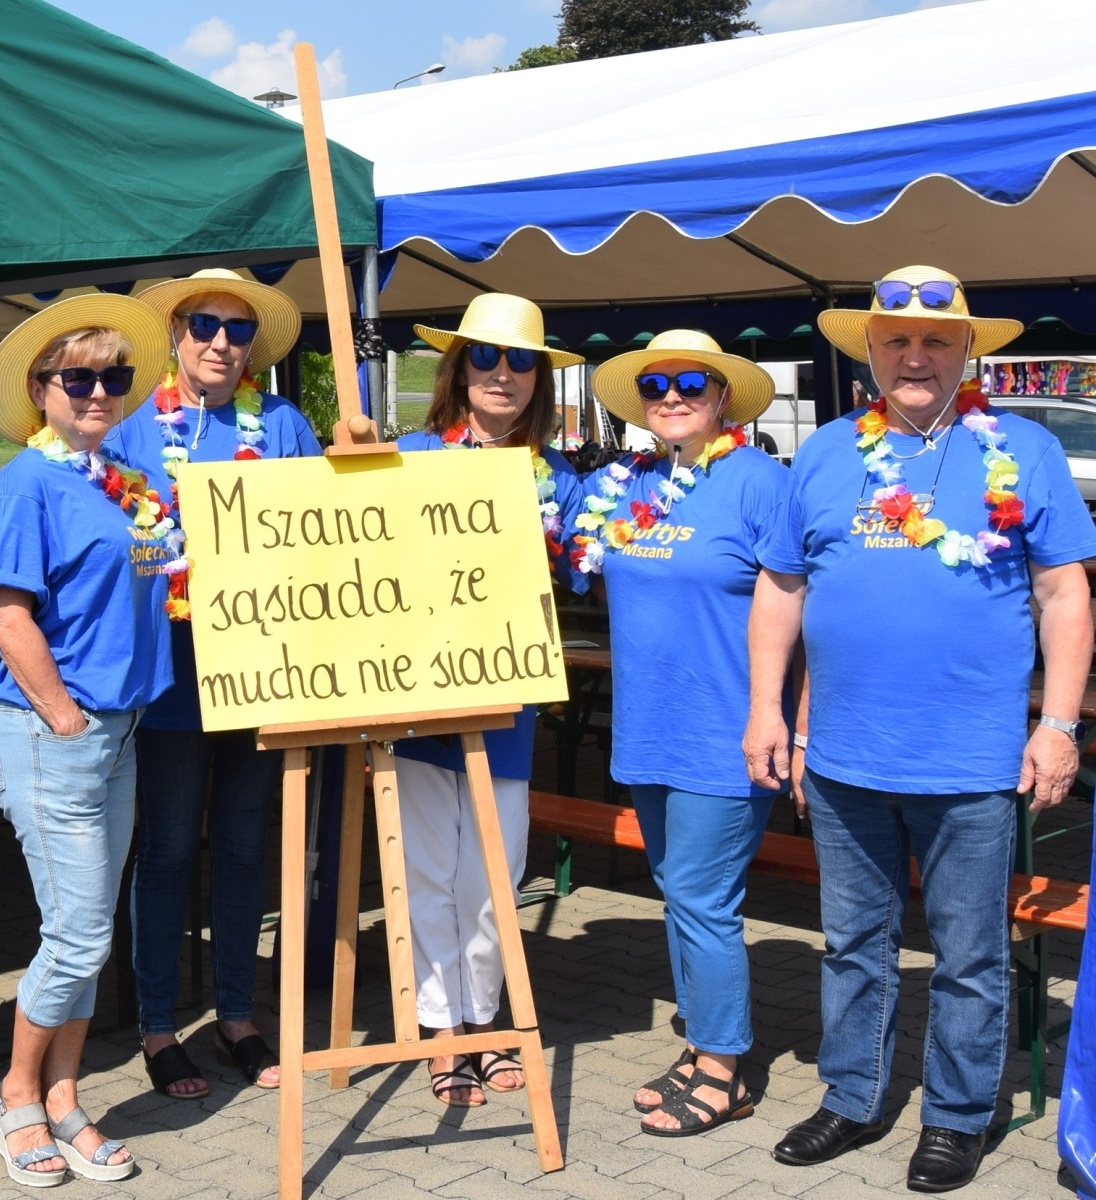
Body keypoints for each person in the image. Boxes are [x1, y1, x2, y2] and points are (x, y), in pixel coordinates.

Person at [744, 265, 1096, 1192]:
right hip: (843, 758)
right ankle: (852, 1097)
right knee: (852, 942)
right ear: (868, 350)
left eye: (936, 339)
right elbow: (782, 588)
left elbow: (1064, 593)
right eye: (896, 338)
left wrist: (1058, 722)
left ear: (967, 349)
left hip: (972, 759)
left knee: (970, 955)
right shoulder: (824, 452)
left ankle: (955, 1114)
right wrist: (765, 710)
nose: (915, 354)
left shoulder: (1023, 450)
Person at [0, 294, 173, 1186]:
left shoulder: (119, 479)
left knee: (81, 927)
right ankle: (16, 1095)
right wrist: (61, 710)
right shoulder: (28, 481)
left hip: (119, 730)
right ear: (41, 391)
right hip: (56, 732)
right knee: (82, 931)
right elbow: (6, 611)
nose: (99, 393)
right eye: (79, 378)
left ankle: (65, 1098)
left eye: (115, 377)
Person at [111, 268, 317, 1097]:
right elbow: (106, 536)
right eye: (204, 325)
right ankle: (159, 1028)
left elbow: (318, 537)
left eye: (237, 331)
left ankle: (238, 1015)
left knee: (240, 848)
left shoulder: (284, 424)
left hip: (260, 668)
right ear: (176, 332)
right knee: (163, 852)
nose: (221, 343)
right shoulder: (129, 423)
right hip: (166, 670)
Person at [576, 331, 785, 1136]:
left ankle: (726, 1066)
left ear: (722, 394)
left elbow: (795, 601)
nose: (672, 394)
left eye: (690, 381)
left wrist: (782, 720)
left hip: (723, 731)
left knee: (703, 896)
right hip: (647, 728)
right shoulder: (625, 484)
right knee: (679, 892)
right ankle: (703, 1048)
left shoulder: (759, 482)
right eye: (657, 383)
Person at [390, 293, 588, 1107]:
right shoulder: (405, 456)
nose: (502, 374)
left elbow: (583, 565)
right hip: (415, 702)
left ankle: (490, 1021)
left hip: (509, 700)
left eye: (520, 361)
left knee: (494, 877)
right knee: (427, 871)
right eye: (486, 357)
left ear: (539, 379)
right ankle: (444, 1031)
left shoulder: (562, 479)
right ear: (458, 370)